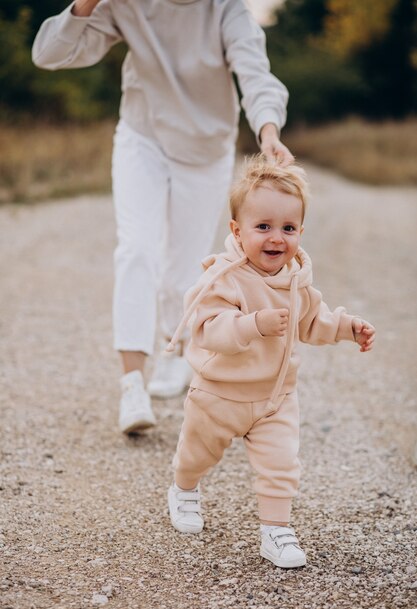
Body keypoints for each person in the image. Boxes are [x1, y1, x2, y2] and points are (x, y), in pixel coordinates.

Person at [32, 0, 294, 434]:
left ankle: (176, 349)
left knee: (182, 269)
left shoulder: (224, 9)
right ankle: (131, 382)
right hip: (143, 137)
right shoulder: (126, 4)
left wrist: (268, 130)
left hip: (205, 149)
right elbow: (50, 55)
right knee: (135, 248)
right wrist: (83, 6)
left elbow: (255, 74)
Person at [166, 155, 375, 569]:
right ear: (237, 232)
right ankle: (183, 489)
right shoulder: (222, 279)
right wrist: (251, 324)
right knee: (197, 455)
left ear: (300, 232)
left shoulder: (296, 280)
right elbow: (209, 330)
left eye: (288, 228)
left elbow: (314, 321)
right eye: (262, 227)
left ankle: (275, 529)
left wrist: (347, 327)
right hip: (218, 395)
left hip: (274, 398)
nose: (276, 238)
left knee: (282, 464)